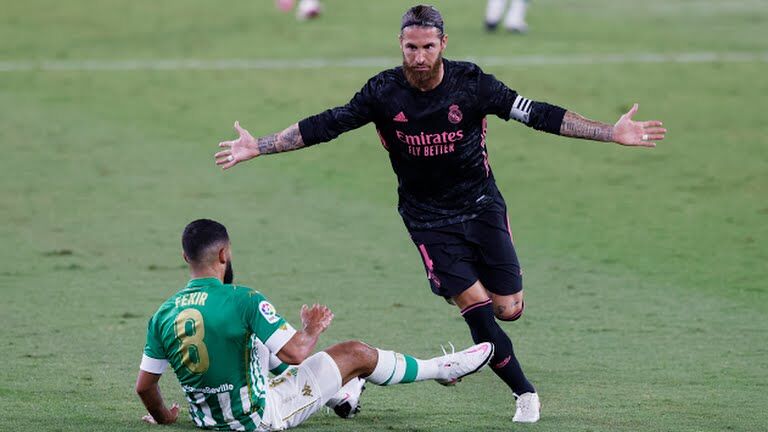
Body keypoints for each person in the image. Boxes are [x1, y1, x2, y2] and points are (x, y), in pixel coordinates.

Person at [214, 4, 666, 424]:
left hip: (482, 207)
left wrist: (609, 132)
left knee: (509, 309)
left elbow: (537, 114)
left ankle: (456, 291)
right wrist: (261, 146)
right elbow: (326, 124)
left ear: (443, 43)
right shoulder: (383, 91)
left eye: (428, 46)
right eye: (411, 47)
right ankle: (524, 392)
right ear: (400, 44)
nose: (419, 57)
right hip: (427, 219)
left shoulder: (472, 84)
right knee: (478, 310)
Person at [135, 219, 494, 430]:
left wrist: (164, 417)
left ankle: (342, 395)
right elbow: (295, 353)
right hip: (259, 418)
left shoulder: (163, 314)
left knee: (255, 342)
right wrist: (312, 328)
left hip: (207, 420)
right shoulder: (244, 299)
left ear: (185, 257)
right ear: (224, 254)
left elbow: (145, 386)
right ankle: (441, 369)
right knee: (355, 353)